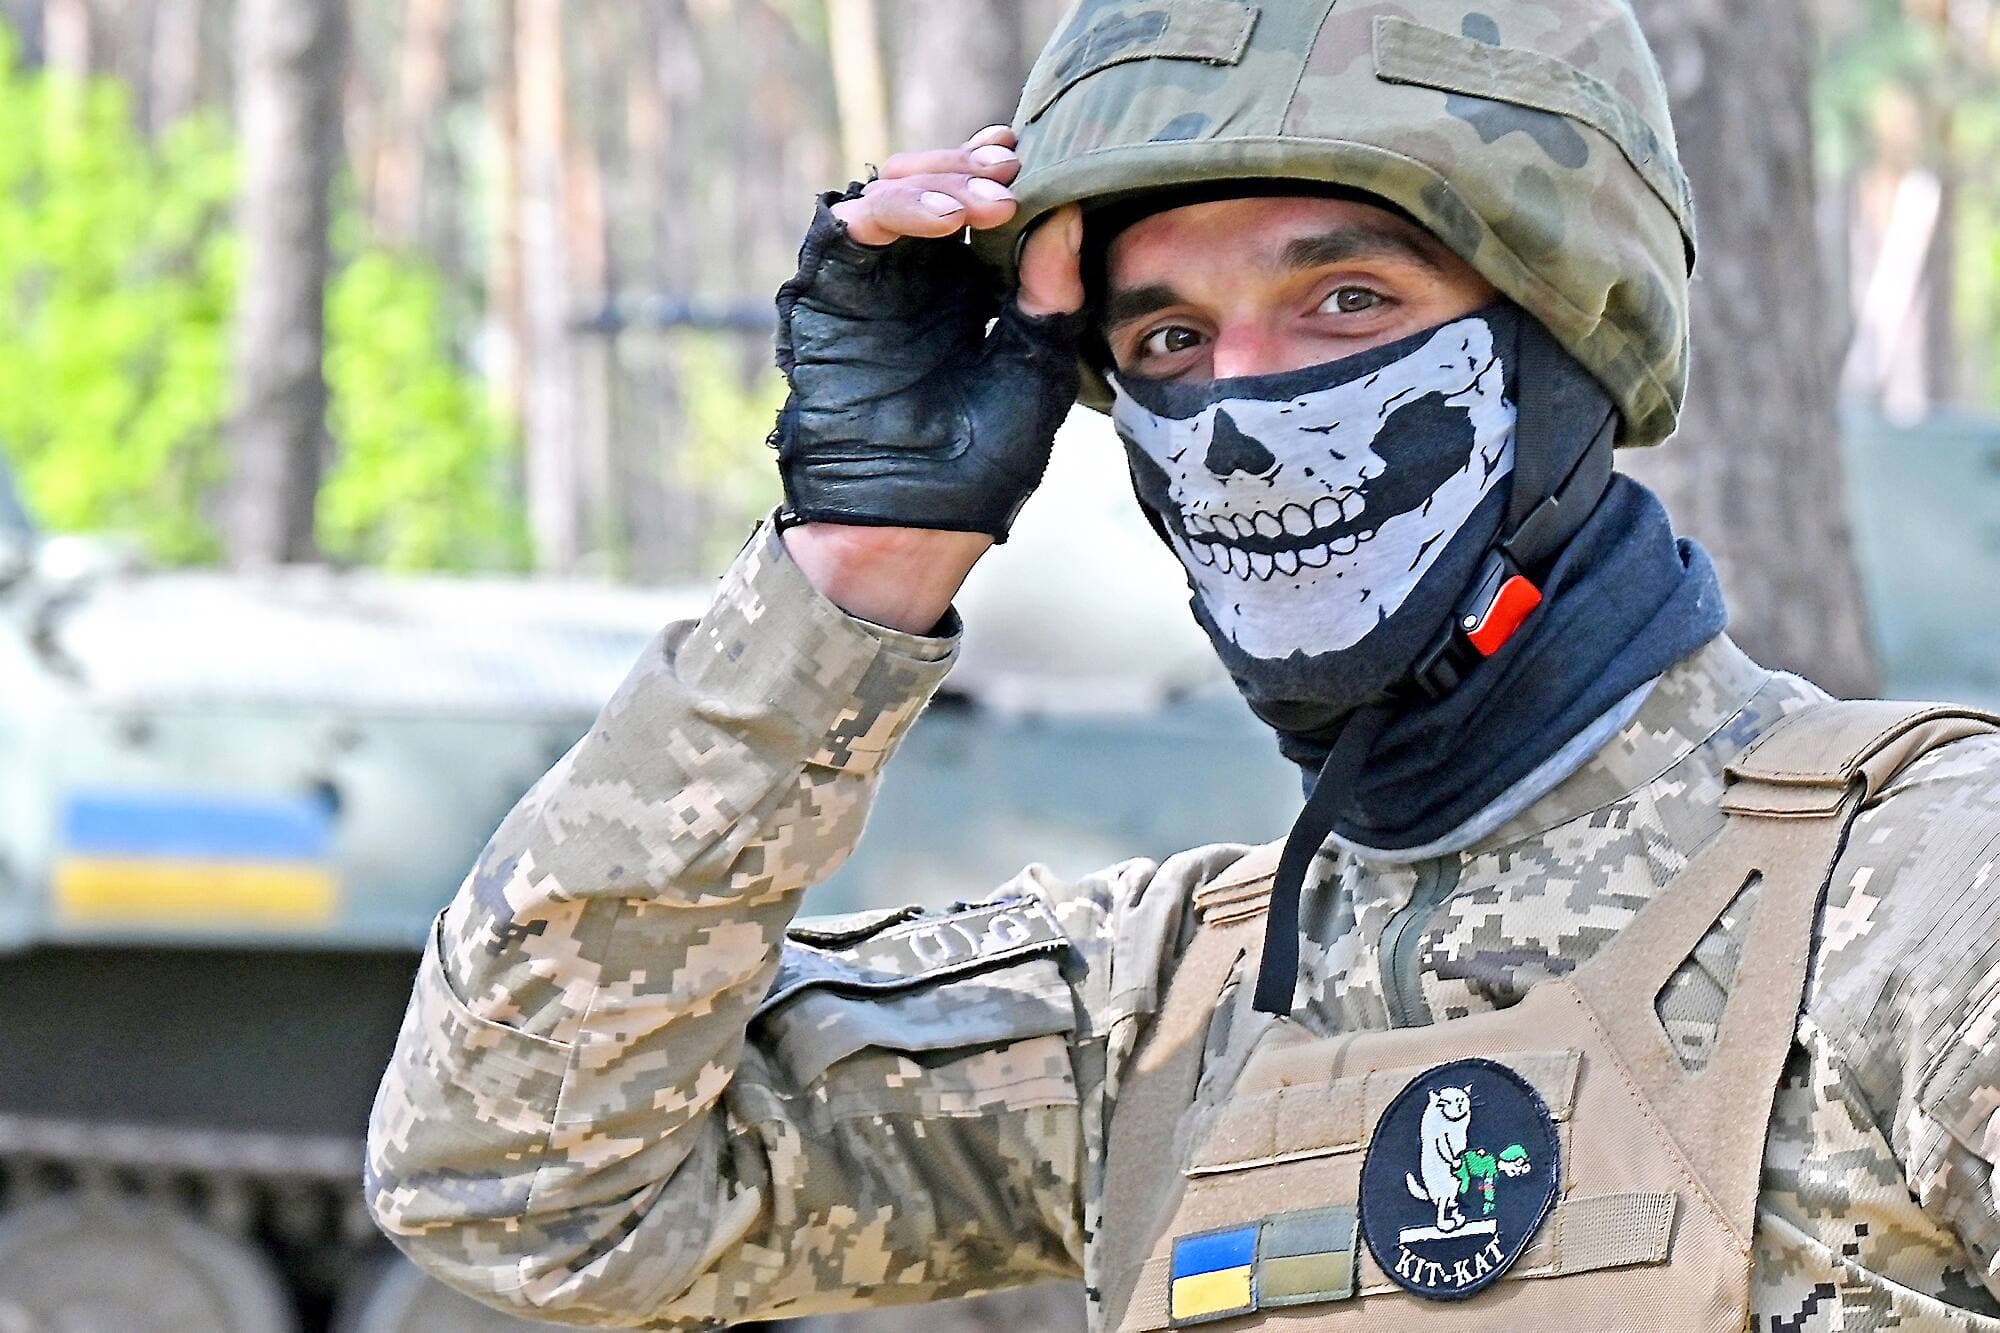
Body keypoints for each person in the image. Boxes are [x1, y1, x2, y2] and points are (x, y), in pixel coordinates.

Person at [366, 1, 2000, 1328]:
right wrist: (847, 580)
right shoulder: (1153, 1013)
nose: (1242, 415)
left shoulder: (1924, 905)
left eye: (1345, 300)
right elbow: (513, 1180)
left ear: (1565, 339)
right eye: (1169, 341)